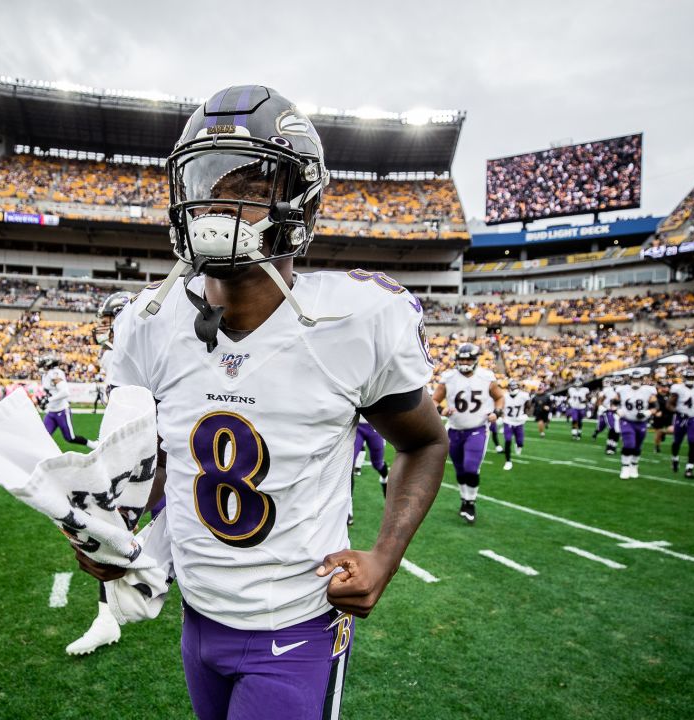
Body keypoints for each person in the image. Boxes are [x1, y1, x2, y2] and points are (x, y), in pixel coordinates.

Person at [81, 86, 448, 720]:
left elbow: (422, 440)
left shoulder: (352, 320)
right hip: (199, 616)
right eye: (207, 182)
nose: (220, 205)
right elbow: (158, 462)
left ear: (297, 201)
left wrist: (385, 557)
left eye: (250, 190)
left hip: (296, 624)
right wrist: (115, 533)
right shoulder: (151, 320)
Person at [67, 289, 136, 657]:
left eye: (111, 321)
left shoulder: (145, 350)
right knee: (113, 527)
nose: (104, 329)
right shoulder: (115, 354)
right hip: (136, 452)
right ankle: (107, 617)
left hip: (162, 454)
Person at [432, 342, 505, 523]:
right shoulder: (448, 377)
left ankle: (471, 503)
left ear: (475, 360)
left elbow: (500, 397)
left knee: (471, 467)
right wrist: (442, 410)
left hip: (478, 428)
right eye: (462, 358)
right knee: (459, 468)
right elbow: (434, 400)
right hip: (454, 429)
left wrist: (497, 412)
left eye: (468, 358)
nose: (465, 362)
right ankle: (464, 499)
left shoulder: (486, 377)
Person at [38, 356, 97, 449]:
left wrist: (48, 400)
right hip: (51, 411)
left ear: (49, 365)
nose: (41, 366)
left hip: (62, 411)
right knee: (43, 436)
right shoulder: (45, 375)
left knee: (70, 438)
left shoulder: (54, 374)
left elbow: (65, 392)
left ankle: (93, 444)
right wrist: (45, 400)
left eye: (43, 364)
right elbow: (51, 392)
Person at [614, 368, 658, 479]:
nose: (635, 381)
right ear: (630, 379)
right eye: (633, 379)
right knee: (629, 444)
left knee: (637, 446)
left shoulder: (648, 390)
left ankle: (634, 465)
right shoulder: (622, 389)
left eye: (638, 379)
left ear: (642, 379)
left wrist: (647, 413)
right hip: (626, 420)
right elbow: (613, 403)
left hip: (641, 422)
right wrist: (617, 410)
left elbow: (656, 406)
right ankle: (625, 467)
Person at [668, 367, 694, 478]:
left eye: (692, 377)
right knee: (677, 442)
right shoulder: (678, 389)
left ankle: (689, 468)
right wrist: (677, 411)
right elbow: (669, 404)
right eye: (688, 377)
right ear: (684, 377)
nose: (690, 379)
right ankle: (675, 458)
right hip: (681, 418)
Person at [499, 379, 531, 471]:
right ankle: (508, 461)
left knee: (520, 443)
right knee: (508, 440)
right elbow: (500, 406)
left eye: (514, 386)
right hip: (508, 421)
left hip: (519, 422)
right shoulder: (504, 396)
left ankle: (518, 445)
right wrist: (501, 416)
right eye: (511, 387)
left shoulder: (523, 396)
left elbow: (529, 405)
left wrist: (526, 414)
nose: (513, 388)